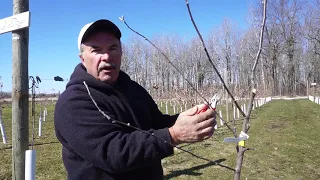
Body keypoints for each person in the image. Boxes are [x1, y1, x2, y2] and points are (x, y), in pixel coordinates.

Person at [54, 19, 217, 180]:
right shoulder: (74, 101)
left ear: (121, 53)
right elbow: (112, 153)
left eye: (113, 48)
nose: (106, 56)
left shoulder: (132, 88)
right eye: (96, 50)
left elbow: (156, 123)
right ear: (82, 59)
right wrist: (174, 135)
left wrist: (191, 119)